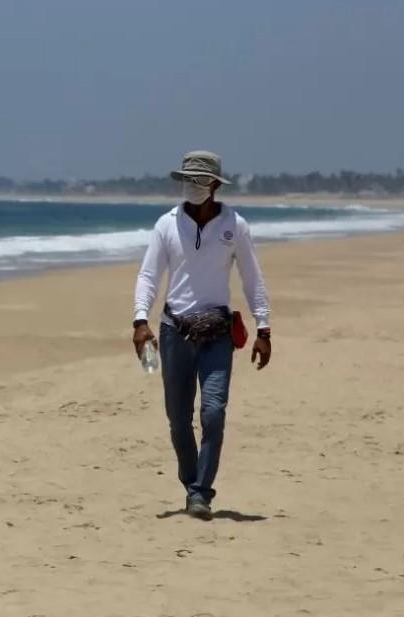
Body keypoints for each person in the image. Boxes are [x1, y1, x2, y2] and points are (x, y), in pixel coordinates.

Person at [132, 150, 271, 520]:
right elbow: (149, 275)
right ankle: (191, 480)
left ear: (214, 184)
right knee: (178, 419)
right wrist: (139, 321)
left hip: (218, 334)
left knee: (213, 412)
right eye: (186, 180)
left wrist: (264, 327)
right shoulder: (166, 225)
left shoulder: (235, 226)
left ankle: (201, 492)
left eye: (198, 180)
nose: (191, 187)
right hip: (174, 331)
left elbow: (252, 277)